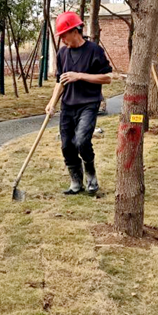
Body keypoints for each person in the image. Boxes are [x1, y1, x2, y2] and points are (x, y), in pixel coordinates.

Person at [45, 12, 113, 195]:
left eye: (64, 35)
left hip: (88, 104)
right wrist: (52, 103)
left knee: (82, 141)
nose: (62, 40)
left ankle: (91, 176)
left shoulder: (94, 50)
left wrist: (80, 75)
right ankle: (76, 181)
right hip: (68, 105)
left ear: (75, 31)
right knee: (67, 145)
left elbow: (107, 78)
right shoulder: (62, 53)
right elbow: (60, 81)